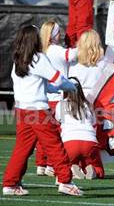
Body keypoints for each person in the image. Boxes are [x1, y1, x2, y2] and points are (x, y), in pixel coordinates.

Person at [2, 25, 82, 196]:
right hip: (38, 112)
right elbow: (58, 80)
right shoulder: (38, 58)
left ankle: (10, 183)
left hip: (22, 110)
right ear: (34, 39)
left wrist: (56, 88)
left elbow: (40, 84)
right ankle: (66, 182)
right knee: (55, 147)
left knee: (22, 149)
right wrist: (72, 87)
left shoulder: (18, 58)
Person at [35, 20, 78, 177]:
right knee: (57, 135)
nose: (61, 35)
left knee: (43, 134)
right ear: (53, 35)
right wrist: (86, 42)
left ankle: (41, 163)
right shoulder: (56, 50)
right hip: (58, 96)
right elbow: (74, 56)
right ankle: (51, 165)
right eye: (59, 32)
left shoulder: (41, 50)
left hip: (44, 97)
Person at [55, 77, 104, 180]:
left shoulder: (61, 104)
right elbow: (94, 123)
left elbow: (58, 120)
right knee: (98, 168)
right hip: (90, 143)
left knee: (63, 166)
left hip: (70, 143)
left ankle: (73, 167)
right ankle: (92, 169)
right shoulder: (88, 105)